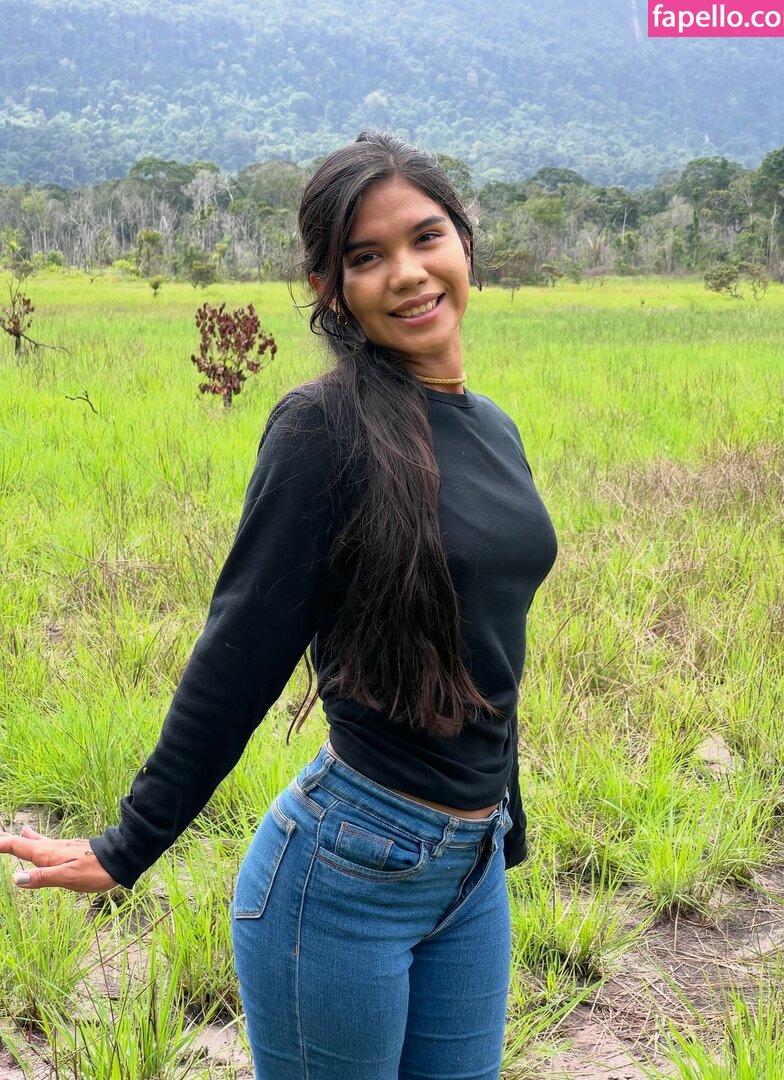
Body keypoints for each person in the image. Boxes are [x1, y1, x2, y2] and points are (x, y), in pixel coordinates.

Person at [0, 129, 558, 1079]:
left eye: (426, 237)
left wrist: (502, 816)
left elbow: (490, 645)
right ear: (329, 290)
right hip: (343, 876)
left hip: (471, 869)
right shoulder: (323, 429)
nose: (407, 273)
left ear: (464, 241)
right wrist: (129, 843)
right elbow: (241, 649)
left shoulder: (494, 429)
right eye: (366, 257)